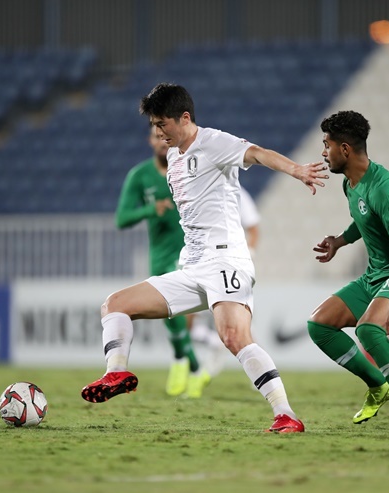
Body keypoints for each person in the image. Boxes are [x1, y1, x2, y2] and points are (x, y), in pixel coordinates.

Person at [82, 82, 328, 433]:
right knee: (114, 304)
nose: (157, 132)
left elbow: (256, 153)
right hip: (192, 266)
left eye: (162, 123)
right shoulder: (172, 157)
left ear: (184, 118)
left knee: (233, 337)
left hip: (226, 260)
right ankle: (116, 372)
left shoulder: (214, 142)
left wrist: (296, 170)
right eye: (153, 125)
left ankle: (285, 413)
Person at [308, 110, 389, 435]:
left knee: (367, 331)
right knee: (319, 325)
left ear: (346, 149)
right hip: (377, 274)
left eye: (327, 145)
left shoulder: (385, 190)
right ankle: (379, 386)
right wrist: (340, 240)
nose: (324, 152)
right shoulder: (351, 184)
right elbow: (364, 221)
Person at [115, 126, 209, 398]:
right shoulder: (140, 176)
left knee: (176, 311)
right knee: (169, 314)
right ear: (150, 141)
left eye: (163, 136)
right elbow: (121, 219)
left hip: (189, 253)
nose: (160, 141)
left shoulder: (191, 168)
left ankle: (182, 361)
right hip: (159, 254)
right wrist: (150, 209)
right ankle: (192, 364)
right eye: (155, 136)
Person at [188, 184, 261, 377]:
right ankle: (213, 345)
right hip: (202, 264)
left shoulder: (237, 193)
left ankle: (260, 372)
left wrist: (247, 255)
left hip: (230, 265)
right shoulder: (197, 187)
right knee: (186, 321)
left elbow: (253, 227)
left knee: (238, 327)